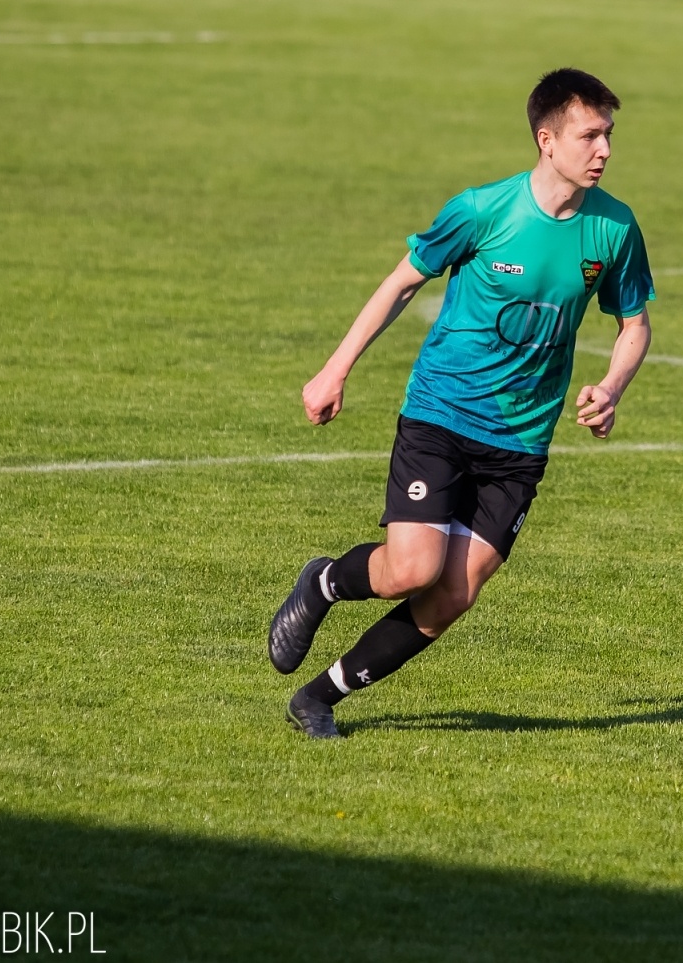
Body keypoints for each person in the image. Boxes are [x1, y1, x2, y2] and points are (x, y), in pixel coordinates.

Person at [267, 68, 654, 740]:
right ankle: (326, 581)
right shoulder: (482, 210)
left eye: (609, 135)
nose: (605, 150)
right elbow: (401, 283)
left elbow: (634, 324)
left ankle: (317, 698)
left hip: (521, 443)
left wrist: (611, 388)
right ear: (547, 139)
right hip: (442, 415)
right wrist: (335, 368)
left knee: (451, 594)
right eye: (590, 135)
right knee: (411, 569)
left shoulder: (615, 229)